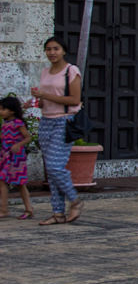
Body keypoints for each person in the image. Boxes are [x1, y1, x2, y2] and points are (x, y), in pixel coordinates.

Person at [29, 37, 83, 224]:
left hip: (64, 121)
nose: (52, 53)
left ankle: (75, 200)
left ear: (63, 51)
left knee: (55, 166)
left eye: (56, 49)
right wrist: (37, 100)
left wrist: (45, 95)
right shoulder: (45, 72)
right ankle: (58, 213)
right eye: (48, 49)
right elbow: (46, 100)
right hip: (46, 121)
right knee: (50, 171)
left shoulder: (71, 71)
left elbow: (74, 100)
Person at [0, 96, 34, 219]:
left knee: (20, 184)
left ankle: (28, 209)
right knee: (2, 181)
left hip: (16, 159)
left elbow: (28, 137)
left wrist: (18, 145)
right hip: (5, 157)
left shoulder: (18, 123)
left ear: (12, 111)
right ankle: (4, 209)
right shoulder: (5, 123)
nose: (0, 112)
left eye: (3, 109)